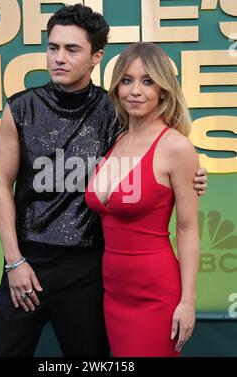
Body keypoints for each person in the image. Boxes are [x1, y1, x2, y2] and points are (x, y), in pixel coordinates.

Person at [0, 4, 207, 357]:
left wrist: (193, 175)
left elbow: (155, 149)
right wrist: (14, 261)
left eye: (72, 49)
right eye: (53, 47)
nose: (59, 58)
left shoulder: (115, 112)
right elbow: (0, 185)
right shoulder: (20, 108)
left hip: (90, 266)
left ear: (96, 57)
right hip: (27, 260)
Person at [85, 42, 200, 357]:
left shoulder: (176, 147)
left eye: (147, 81)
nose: (135, 90)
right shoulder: (116, 139)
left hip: (155, 293)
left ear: (164, 89)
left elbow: (188, 229)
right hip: (112, 290)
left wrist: (187, 301)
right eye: (127, 80)